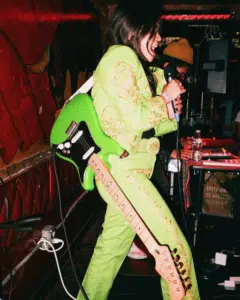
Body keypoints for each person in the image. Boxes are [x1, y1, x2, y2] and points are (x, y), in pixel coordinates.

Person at [77, 3, 200, 300]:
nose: (159, 39)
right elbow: (136, 117)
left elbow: (139, 128)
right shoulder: (120, 57)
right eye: (154, 30)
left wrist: (170, 112)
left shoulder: (135, 65)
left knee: (110, 251)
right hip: (124, 171)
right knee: (174, 250)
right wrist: (165, 100)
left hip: (125, 167)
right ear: (134, 29)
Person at [128, 38, 194, 260]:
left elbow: (163, 125)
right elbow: (144, 126)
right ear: (170, 67)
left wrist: (178, 137)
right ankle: (141, 243)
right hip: (142, 153)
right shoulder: (153, 79)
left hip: (152, 151)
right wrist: (169, 150)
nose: (181, 80)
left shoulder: (163, 79)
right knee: (157, 198)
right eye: (180, 74)